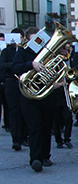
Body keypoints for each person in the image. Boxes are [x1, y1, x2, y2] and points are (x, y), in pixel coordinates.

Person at [13, 27, 57, 172]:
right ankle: (35, 158)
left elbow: (56, 70)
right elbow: (15, 68)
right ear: (27, 40)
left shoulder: (47, 53)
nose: (37, 42)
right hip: (29, 96)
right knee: (35, 127)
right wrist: (31, 65)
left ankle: (45, 156)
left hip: (47, 95)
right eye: (33, 39)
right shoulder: (22, 53)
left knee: (46, 126)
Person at [0, 28, 29, 150]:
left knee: (25, 110)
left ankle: (24, 136)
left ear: (23, 38)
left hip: (24, 82)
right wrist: (15, 65)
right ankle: (16, 139)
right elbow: (2, 65)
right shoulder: (6, 51)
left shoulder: (24, 51)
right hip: (11, 83)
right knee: (14, 111)